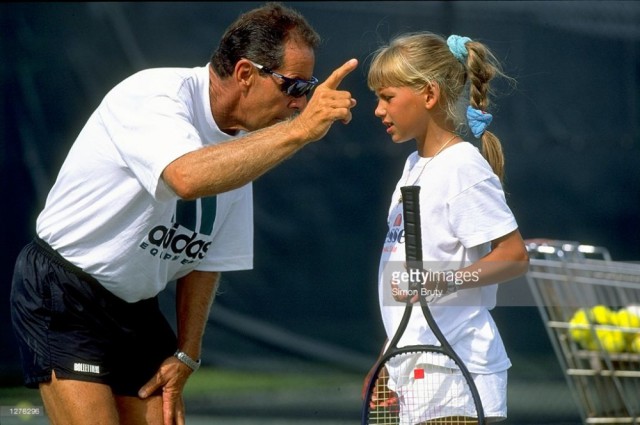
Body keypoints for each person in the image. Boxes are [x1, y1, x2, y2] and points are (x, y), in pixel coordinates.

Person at [10, 3, 358, 424]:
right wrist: (300, 133)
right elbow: (185, 177)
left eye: (308, 89)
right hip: (63, 292)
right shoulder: (153, 94)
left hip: (134, 308)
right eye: (294, 87)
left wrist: (187, 353)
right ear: (246, 73)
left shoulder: (243, 146)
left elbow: (205, 259)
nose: (299, 104)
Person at [364, 32, 529, 423]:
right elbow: (410, 283)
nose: (378, 110)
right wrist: (387, 356)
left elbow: (514, 257)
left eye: (387, 97)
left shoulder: (462, 166)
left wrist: (443, 282)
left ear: (429, 94)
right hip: (417, 375)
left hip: (457, 375)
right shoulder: (413, 167)